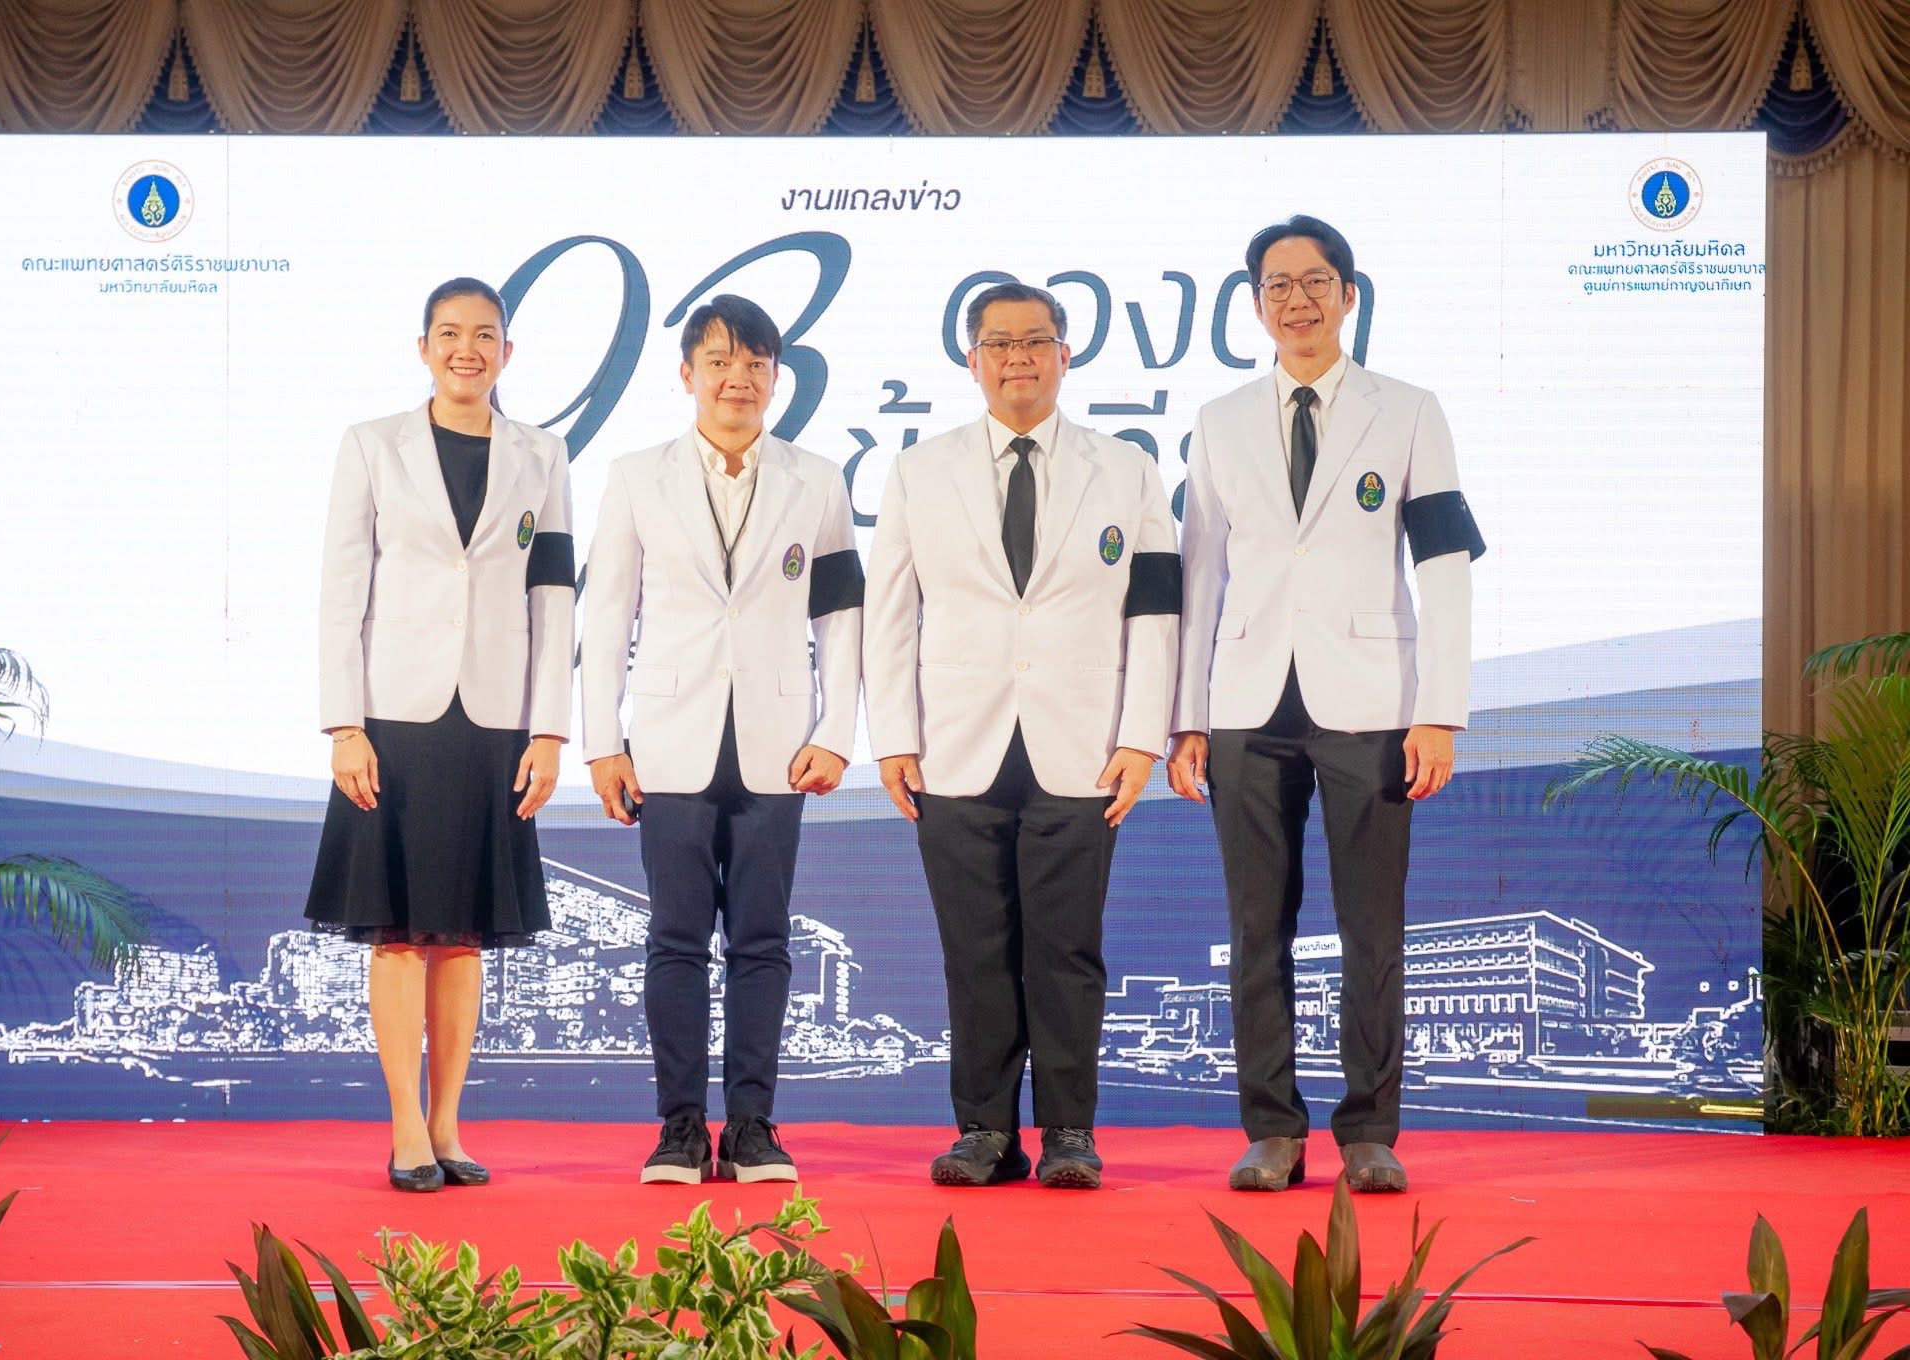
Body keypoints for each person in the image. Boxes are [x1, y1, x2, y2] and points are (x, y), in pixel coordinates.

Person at [1168, 216, 1485, 1194]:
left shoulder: (1408, 411)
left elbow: (1444, 564)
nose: (1295, 300)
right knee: (1253, 927)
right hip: (1245, 703)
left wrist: (1439, 709)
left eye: (1314, 281)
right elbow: (1198, 574)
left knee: (1370, 930)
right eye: (1276, 285)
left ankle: (1368, 1132)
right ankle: (1271, 1130)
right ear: (1254, 303)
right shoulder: (1219, 420)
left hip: (1373, 700)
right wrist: (1186, 717)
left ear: (1349, 295)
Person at [865, 281, 1180, 1190]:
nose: (1017, 358)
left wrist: (1142, 737)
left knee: (1067, 950)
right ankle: (984, 1132)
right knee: (975, 951)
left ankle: (1070, 1132)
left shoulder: (1128, 468)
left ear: (1065, 355)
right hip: (954, 741)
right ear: (972, 360)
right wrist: (893, 736)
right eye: (998, 343)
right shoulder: (920, 470)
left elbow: (1156, 611)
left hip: (1084, 742)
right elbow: (891, 613)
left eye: (1035, 341)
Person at [581, 294, 862, 1185]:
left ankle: (751, 1128)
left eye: (755, 363)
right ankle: (678, 1129)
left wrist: (838, 731)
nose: (737, 378)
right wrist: (602, 741)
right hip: (668, 738)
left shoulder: (816, 479)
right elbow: (607, 611)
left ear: (776, 377)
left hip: (780, 742)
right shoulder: (637, 475)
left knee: (762, 940)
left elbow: (840, 614)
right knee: (674, 939)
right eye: (719, 361)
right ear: (688, 374)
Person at [304, 277, 575, 1192]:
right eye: (450, 333)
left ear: (508, 352)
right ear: (423, 347)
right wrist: (344, 724)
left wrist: (550, 731)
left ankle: (451, 1125)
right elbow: (342, 589)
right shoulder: (371, 444)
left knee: (464, 936)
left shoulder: (543, 455)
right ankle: (406, 1128)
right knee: (398, 934)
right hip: (394, 717)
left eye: (485, 335)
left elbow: (554, 596)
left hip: (495, 720)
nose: (468, 349)